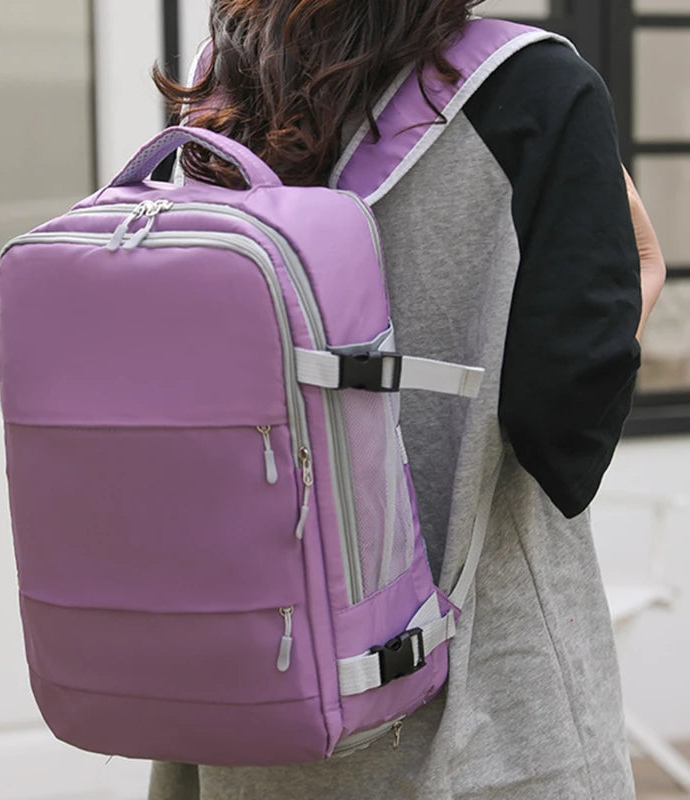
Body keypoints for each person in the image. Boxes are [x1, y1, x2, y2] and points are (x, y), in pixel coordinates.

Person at [148, 1, 666, 798]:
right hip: (483, 726)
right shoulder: (532, 87)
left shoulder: (229, 88)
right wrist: (637, 283)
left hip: (251, 714)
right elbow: (562, 433)